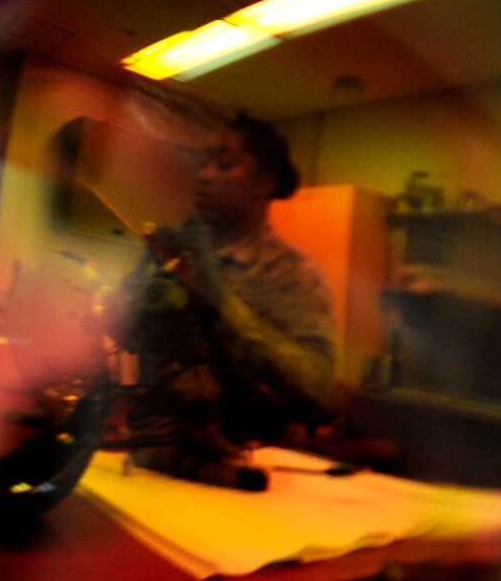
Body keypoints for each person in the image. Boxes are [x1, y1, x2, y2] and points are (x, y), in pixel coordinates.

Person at [115, 112, 338, 480]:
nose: (203, 175)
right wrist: (138, 293)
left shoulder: (291, 273)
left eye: (224, 164)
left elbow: (319, 391)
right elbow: (126, 339)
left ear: (263, 184)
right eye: (204, 163)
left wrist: (221, 302)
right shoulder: (176, 254)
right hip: (155, 457)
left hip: (253, 470)